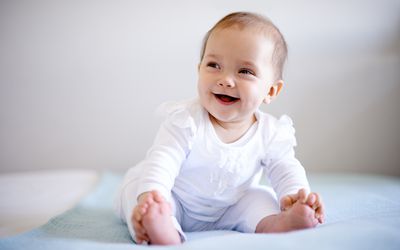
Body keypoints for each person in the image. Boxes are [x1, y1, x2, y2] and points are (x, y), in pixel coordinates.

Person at [114, 11, 325, 245]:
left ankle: (278, 223)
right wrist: (152, 195)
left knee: (262, 196)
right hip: (177, 199)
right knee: (138, 191)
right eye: (214, 65)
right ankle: (160, 225)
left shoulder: (271, 133)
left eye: (245, 71)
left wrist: (296, 196)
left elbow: (286, 168)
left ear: (271, 91)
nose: (225, 80)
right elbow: (163, 159)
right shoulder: (186, 121)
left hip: (230, 207)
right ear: (199, 69)